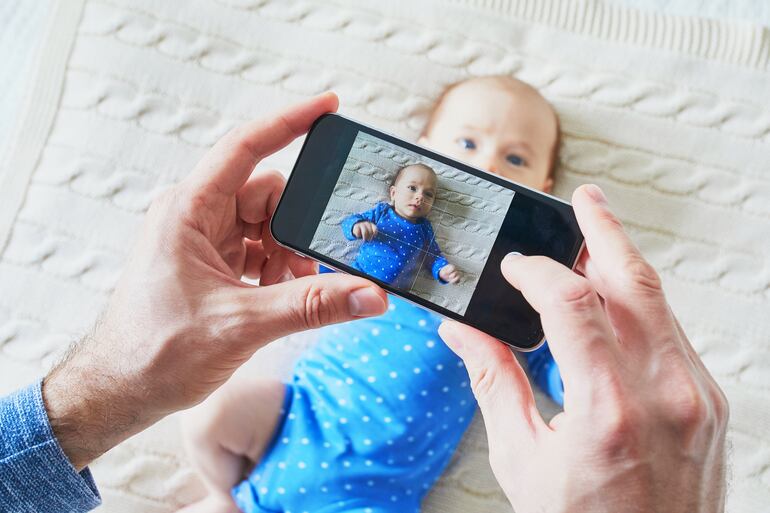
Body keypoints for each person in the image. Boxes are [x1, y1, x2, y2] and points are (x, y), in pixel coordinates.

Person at [0, 92, 728, 513]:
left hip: (374, 487)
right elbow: (312, 254)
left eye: (514, 160)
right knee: (219, 412)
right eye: (466, 140)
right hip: (299, 413)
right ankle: (222, 493)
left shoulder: (508, 295)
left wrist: (579, 384)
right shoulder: (377, 231)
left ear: (537, 183)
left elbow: (559, 364)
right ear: (416, 156)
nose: (486, 161)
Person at [342, 162, 460, 287]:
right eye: (412, 188)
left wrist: (442, 270)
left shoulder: (425, 228)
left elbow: (432, 256)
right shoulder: (382, 212)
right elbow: (348, 221)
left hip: (394, 293)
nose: (420, 197)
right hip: (359, 276)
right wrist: (357, 225)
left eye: (428, 194)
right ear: (393, 193)